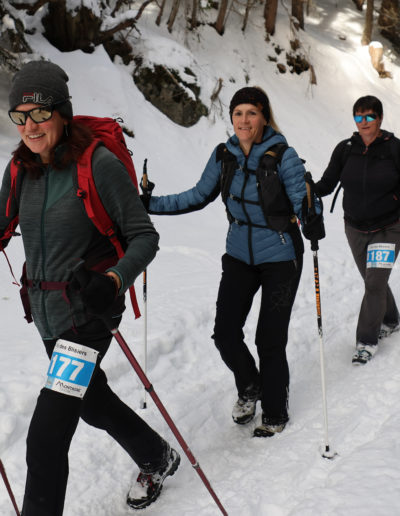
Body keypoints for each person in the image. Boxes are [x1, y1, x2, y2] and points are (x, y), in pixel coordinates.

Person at [0, 60, 180, 516]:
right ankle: (156, 455)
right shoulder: (19, 169)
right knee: (92, 402)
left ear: (62, 112)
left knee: (45, 439)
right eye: (20, 116)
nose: (30, 126)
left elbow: (144, 236)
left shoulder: (97, 164)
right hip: (47, 314)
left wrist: (113, 279)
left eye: (40, 114)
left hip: (89, 312)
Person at [140, 86, 323, 437]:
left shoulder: (283, 156)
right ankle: (250, 385)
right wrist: (150, 204)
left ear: (264, 117)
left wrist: (311, 216)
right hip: (239, 254)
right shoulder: (224, 155)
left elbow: (303, 200)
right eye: (238, 113)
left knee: (269, 339)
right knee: (224, 333)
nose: (244, 120)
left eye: (251, 112)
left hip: (281, 256)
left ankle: (274, 412)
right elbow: (197, 195)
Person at [314, 95, 400, 365]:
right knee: (372, 279)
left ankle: (366, 341)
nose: (364, 122)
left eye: (369, 116)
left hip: (388, 227)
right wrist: (306, 189)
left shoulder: (394, 148)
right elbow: (327, 183)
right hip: (354, 227)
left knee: (374, 283)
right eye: (359, 117)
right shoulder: (345, 149)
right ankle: (391, 319)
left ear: (380, 118)